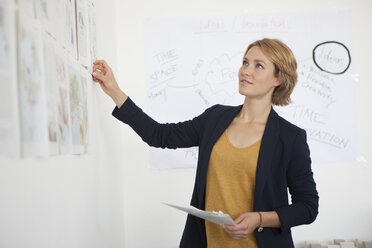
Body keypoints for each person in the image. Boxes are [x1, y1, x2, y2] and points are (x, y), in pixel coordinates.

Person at [92, 38, 319, 248]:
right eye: (245, 62)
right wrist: (113, 89)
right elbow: (159, 135)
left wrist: (260, 219)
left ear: (278, 78)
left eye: (258, 65)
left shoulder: (290, 137)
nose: (246, 71)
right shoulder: (215, 118)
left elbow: (307, 207)